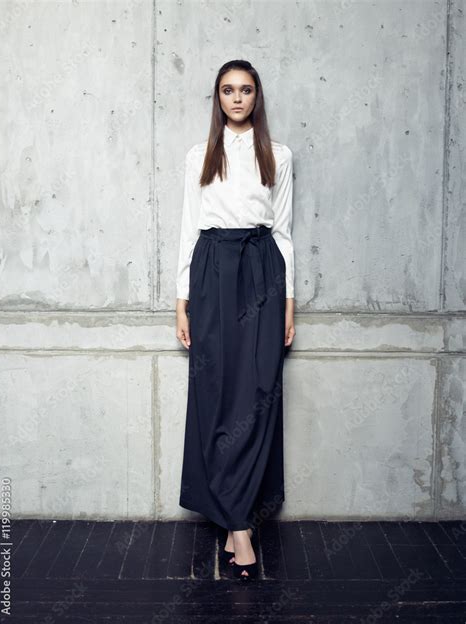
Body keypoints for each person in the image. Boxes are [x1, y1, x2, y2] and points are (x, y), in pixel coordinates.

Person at [175, 59, 295, 581]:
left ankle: (237, 517)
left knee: (258, 393)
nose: (238, 98)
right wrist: (181, 301)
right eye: (228, 90)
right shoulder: (200, 156)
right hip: (212, 270)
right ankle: (238, 527)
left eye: (246, 90)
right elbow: (186, 227)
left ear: (257, 96)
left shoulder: (279, 155)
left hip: (262, 268)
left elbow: (285, 232)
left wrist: (289, 303)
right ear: (218, 97)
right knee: (216, 393)